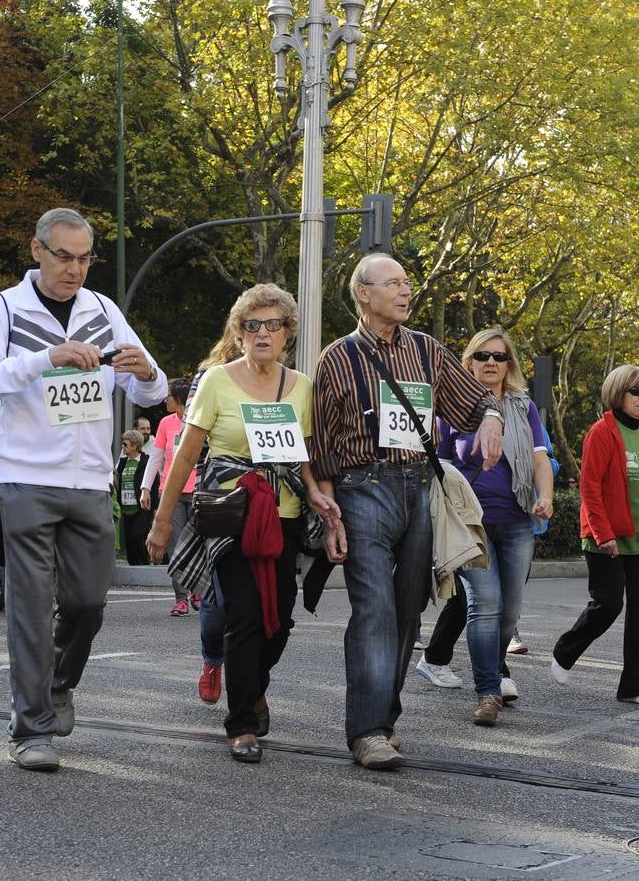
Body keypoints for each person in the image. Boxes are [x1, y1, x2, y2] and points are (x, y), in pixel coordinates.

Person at [0, 206, 167, 772]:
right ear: (37, 251)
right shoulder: (3, 308)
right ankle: (31, 730)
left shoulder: (103, 310)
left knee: (87, 602)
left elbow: (153, 389)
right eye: (64, 257)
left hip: (90, 482)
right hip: (27, 478)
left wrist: (146, 373)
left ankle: (58, 682)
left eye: (84, 258)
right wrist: (43, 359)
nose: (75, 269)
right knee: (29, 606)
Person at [311, 252, 505, 770]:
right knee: (374, 610)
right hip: (361, 487)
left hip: (420, 487)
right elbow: (322, 442)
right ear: (363, 294)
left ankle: (384, 719)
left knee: (406, 611)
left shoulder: (427, 350)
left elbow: (474, 399)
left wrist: (490, 418)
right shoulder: (338, 357)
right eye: (392, 283)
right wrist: (329, 513)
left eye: (407, 283)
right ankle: (367, 730)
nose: (405, 291)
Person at [146, 283, 338, 763]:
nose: (262, 333)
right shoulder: (215, 381)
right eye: (252, 325)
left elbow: (305, 452)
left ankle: (254, 687)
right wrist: (162, 521)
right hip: (231, 513)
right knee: (246, 615)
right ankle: (241, 724)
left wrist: (315, 491)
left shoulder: (302, 386)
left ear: (288, 332)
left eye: (273, 325)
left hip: (285, 514)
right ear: (239, 332)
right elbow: (187, 454)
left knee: (280, 621)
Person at [433, 329, 553, 726]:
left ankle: (496, 668)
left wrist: (546, 496)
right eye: (482, 355)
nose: (490, 362)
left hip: (517, 520)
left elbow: (539, 458)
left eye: (499, 357)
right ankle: (487, 690)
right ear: (469, 361)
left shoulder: (523, 407)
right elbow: (440, 465)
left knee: (508, 613)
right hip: (471, 524)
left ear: (509, 365)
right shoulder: (451, 408)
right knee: (483, 607)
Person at [551, 365, 639, 704]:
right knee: (607, 604)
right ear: (618, 392)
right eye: (637, 391)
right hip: (605, 536)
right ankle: (565, 650)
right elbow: (590, 488)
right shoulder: (602, 431)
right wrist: (603, 533)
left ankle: (635, 686)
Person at [141, 378, 200, 615]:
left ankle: (198, 591)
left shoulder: (199, 419)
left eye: (169, 396)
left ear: (178, 400)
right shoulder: (165, 423)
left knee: (197, 545)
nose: (165, 399)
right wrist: (146, 487)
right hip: (170, 491)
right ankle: (181, 598)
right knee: (175, 547)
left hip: (198, 490)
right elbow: (156, 457)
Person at [116, 429, 152, 566]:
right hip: (125, 507)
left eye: (125, 444)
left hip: (141, 508)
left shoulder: (146, 461)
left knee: (137, 536)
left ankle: (143, 566)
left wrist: (154, 507)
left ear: (135, 445)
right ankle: (133, 567)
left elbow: (153, 484)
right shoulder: (122, 462)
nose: (122, 447)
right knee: (129, 540)